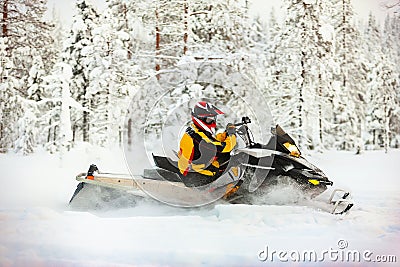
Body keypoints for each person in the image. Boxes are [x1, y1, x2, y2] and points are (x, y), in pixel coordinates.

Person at [177, 101, 237, 186]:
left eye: (213, 119)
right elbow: (223, 148)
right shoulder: (198, 137)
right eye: (209, 119)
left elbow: (212, 141)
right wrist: (232, 135)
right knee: (231, 171)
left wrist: (225, 134)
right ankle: (231, 193)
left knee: (225, 161)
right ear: (200, 119)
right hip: (196, 175)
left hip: (195, 169)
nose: (212, 122)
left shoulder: (195, 131)